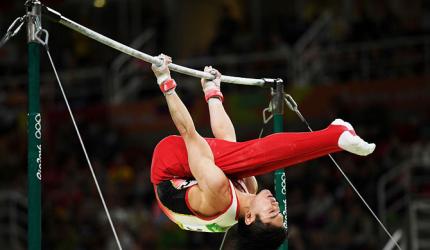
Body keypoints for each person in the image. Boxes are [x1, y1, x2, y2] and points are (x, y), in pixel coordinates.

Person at [150, 54, 375, 249]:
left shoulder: (219, 194)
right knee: (239, 156)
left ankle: (333, 137)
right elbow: (228, 141)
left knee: (247, 157)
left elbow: (189, 133)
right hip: (196, 183)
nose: (277, 206)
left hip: (166, 171)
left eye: (272, 213)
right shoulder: (250, 188)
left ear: (249, 217)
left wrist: (165, 81)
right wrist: (212, 93)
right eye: (280, 213)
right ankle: (335, 137)